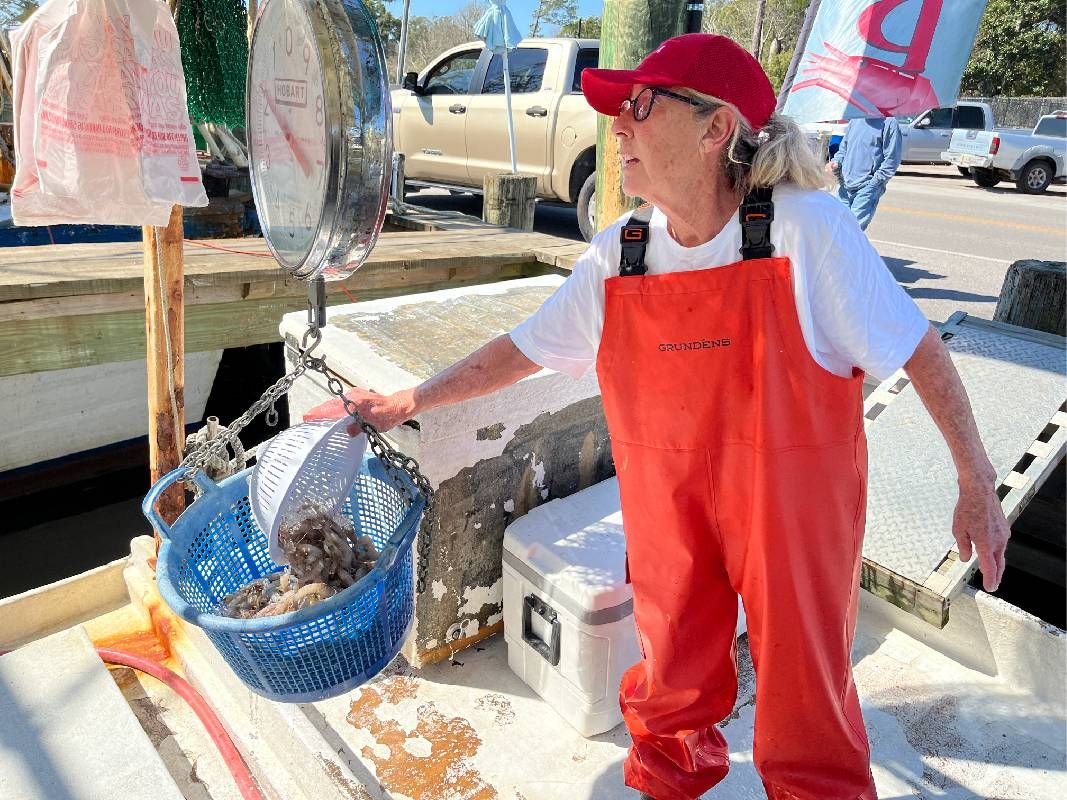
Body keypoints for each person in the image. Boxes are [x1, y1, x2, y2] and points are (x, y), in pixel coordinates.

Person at [308, 34, 1009, 800]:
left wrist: (975, 480)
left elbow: (919, 348)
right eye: (618, 112)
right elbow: (521, 349)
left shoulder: (806, 230)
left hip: (793, 512)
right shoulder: (620, 254)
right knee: (669, 680)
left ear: (715, 130)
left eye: (640, 107)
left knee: (805, 695)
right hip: (666, 510)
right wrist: (409, 400)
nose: (618, 128)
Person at [825, 116, 903, 230]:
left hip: (867, 188)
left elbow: (892, 160)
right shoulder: (855, 119)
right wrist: (835, 162)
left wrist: (874, 183)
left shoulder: (889, 123)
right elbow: (843, 150)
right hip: (845, 186)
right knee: (836, 230)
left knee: (852, 233)